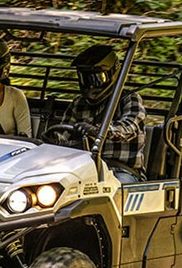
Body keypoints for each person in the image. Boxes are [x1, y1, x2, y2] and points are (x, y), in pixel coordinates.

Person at [59, 44, 146, 183]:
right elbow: (63, 135)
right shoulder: (78, 103)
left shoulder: (129, 98)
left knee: (113, 188)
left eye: (96, 79)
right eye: (85, 79)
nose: (91, 86)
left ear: (112, 73)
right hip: (84, 168)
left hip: (120, 171)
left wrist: (97, 131)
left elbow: (129, 128)